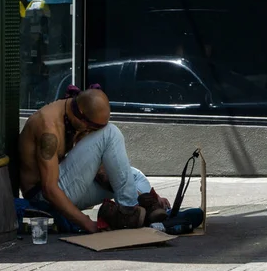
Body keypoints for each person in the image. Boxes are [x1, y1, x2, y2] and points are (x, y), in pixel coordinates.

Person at [18, 88, 168, 233]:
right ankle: (129, 210)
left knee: (135, 176)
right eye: (92, 128)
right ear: (81, 115)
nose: (92, 132)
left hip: (66, 186)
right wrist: (87, 223)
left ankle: (138, 207)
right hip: (44, 198)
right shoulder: (48, 129)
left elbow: (101, 169)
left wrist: (137, 190)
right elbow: (49, 189)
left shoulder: (73, 115)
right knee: (110, 133)